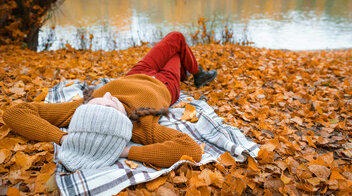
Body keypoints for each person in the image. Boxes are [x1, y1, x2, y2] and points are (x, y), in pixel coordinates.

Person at [3, 31, 217, 170]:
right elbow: (191, 149)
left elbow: (15, 112)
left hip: (137, 73)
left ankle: (194, 72)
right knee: (177, 56)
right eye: (110, 102)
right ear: (120, 120)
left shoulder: (81, 111)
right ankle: (193, 73)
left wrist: (64, 139)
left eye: (98, 99)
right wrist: (123, 151)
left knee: (176, 38)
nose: (106, 94)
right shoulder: (142, 128)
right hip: (165, 85)